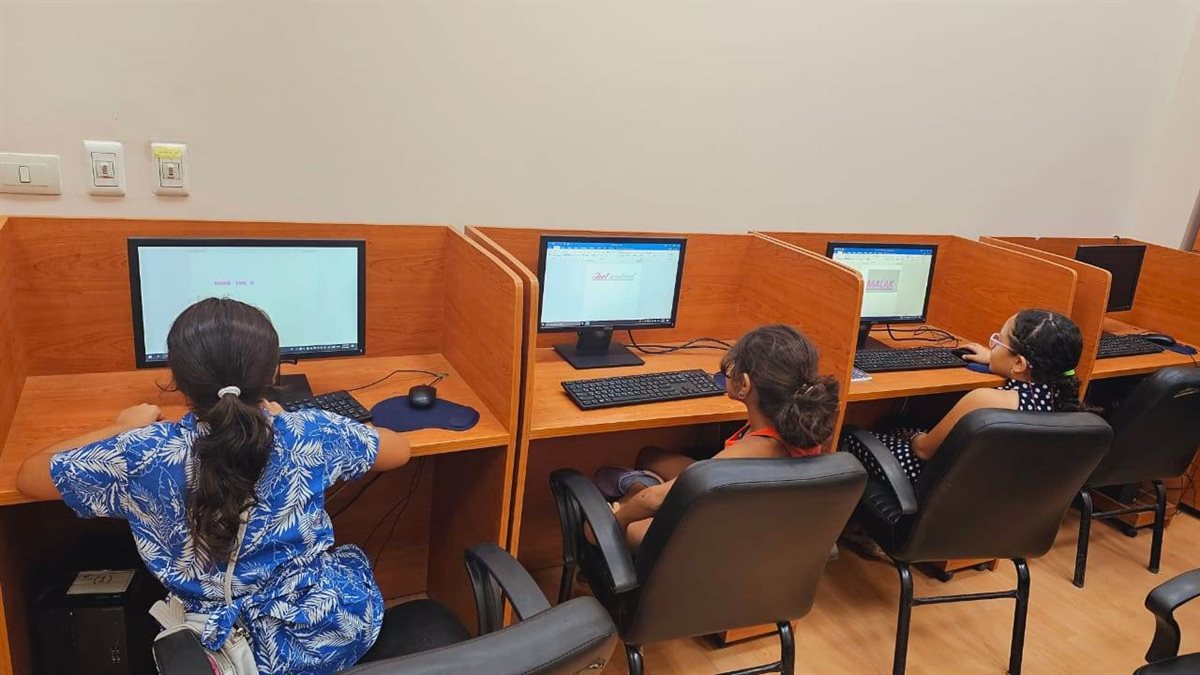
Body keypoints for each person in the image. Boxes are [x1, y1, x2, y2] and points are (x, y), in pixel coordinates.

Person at [16, 298, 411, 675]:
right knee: (349, 560)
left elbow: (29, 476)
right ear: (272, 374)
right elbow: (399, 450)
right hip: (328, 634)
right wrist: (292, 420)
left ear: (177, 379)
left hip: (222, 654)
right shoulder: (307, 433)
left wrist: (119, 429)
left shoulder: (143, 454)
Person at [594, 324, 840, 548]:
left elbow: (651, 501)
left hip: (720, 538)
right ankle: (642, 482)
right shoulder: (804, 423)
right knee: (649, 456)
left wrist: (617, 518)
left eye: (732, 369)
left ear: (745, 385)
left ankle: (637, 490)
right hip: (760, 522)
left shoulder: (752, 452)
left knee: (620, 526)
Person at [843, 308, 1089, 486]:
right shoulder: (1065, 400)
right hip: (997, 499)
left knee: (855, 435)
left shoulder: (985, 401)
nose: (993, 346)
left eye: (998, 342)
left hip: (936, 487)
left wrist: (909, 435)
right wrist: (995, 359)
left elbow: (923, 451)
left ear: (1019, 363)